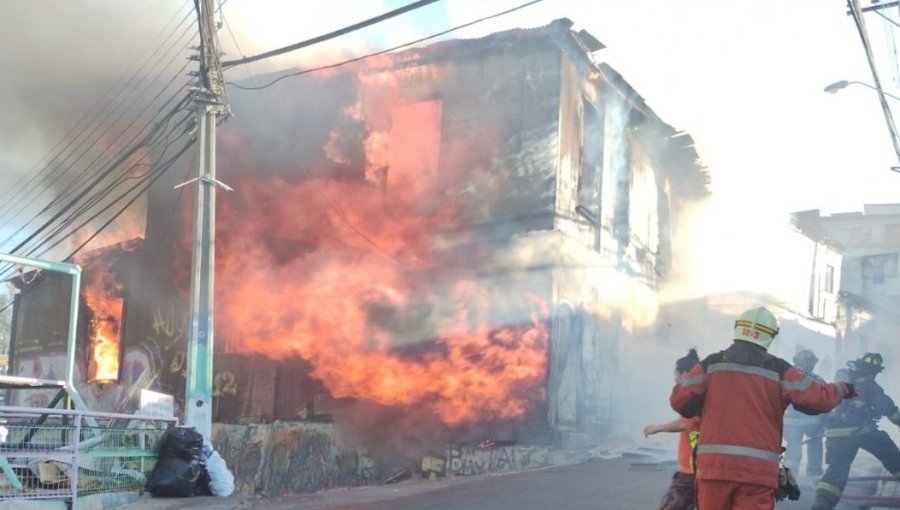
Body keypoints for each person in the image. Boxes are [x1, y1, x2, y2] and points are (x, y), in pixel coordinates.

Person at [670, 306, 855, 509]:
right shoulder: (780, 370)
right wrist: (844, 388)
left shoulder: (711, 364)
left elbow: (680, 400)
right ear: (770, 336)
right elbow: (820, 398)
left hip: (715, 470)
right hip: (757, 474)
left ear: (738, 329)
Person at [811, 352, 900, 510]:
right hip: (862, 432)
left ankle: (821, 505)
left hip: (836, 434)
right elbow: (889, 410)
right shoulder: (870, 386)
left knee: (837, 471)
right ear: (873, 372)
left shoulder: (842, 381)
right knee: (890, 452)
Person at [644, 348, 702, 510]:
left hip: (691, 471)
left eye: (676, 372)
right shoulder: (699, 395)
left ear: (685, 374)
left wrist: (658, 428)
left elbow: (685, 423)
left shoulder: (696, 397)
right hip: (695, 469)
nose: (674, 377)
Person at [783, 349, 826, 477]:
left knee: (793, 446)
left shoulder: (787, 378)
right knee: (815, 446)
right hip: (814, 423)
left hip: (791, 422)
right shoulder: (818, 380)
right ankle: (814, 474)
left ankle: (790, 475)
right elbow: (825, 400)